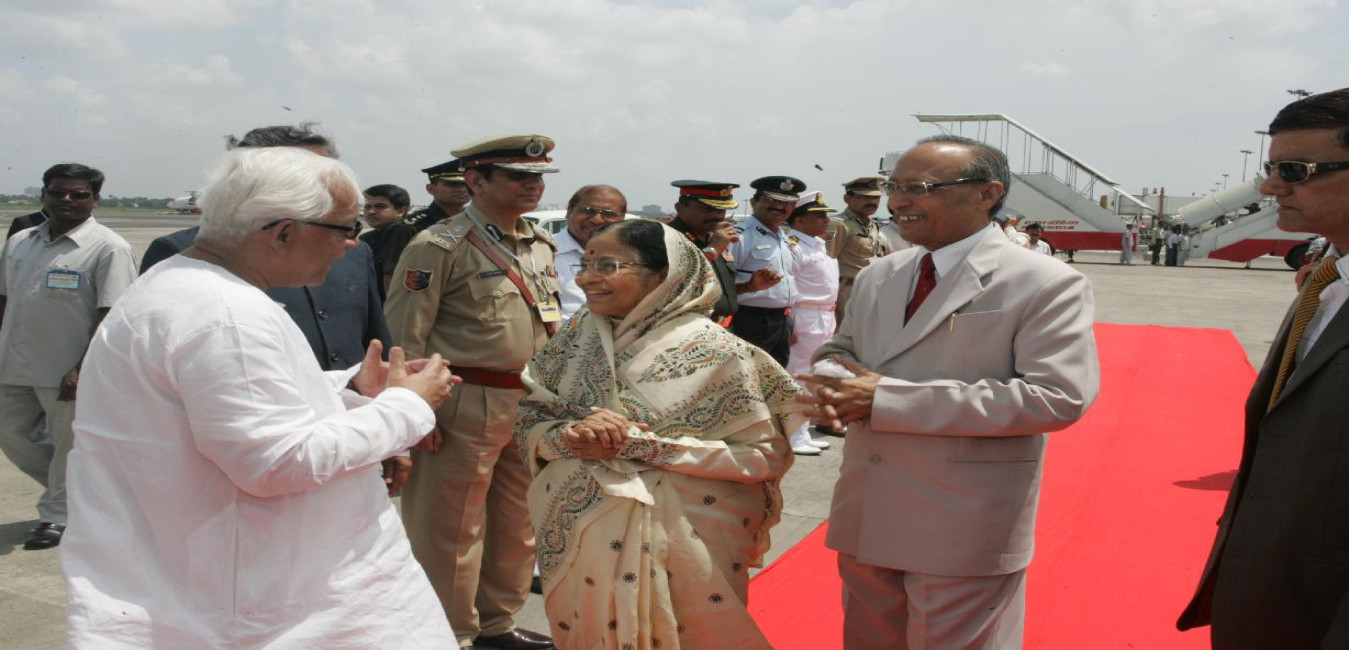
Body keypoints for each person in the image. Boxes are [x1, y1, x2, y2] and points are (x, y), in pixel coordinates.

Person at [61, 147, 457, 647]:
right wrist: (408, 406)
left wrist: (352, 389)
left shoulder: (187, 287)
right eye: (344, 229)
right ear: (284, 233)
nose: (352, 244)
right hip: (261, 604)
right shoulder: (226, 315)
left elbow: (232, 413)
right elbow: (276, 461)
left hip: (231, 583)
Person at [797, 135, 1099, 650]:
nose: (899, 201)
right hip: (869, 508)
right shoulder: (880, 274)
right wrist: (833, 375)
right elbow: (840, 348)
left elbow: (1056, 396)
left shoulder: (1044, 281)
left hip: (961, 519)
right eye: (895, 186)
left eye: (920, 188)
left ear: (988, 193)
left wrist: (886, 400)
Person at [514, 219, 801, 650]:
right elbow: (529, 417)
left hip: (683, 543)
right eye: (585, 264)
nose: (587, 278)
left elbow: (763, 458)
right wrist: (568, 436)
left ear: (664, 275)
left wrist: (645, 448)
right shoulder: (576, 337)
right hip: (577, 533)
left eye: (607, 265)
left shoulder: (720, 352)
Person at [1177, 87, 1349, 650]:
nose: (1272, 187)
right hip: (1273, 594)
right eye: (1272, 170)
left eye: (1295, 171)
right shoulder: (1326, 281)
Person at [384, 134, 559, 650]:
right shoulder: (438, 245)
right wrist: (414, 412)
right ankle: (449, 633)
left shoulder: (536, 242)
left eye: (538, 177)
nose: (532, 186)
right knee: (451, 527)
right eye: (518, 176)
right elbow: (405, 335)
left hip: (525, 401)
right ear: (476, 181)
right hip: (461, 399)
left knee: (516, 524)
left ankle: (495, 625)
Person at [141, 124, 393, 375]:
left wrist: (384, 382)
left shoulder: (354, 251)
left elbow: (375, 338)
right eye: (308, 175)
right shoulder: (186, 255)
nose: (328, 184)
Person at [0, 163, 137, 551]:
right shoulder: (20, 241)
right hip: (13, 361)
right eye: (58, 192)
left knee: (67, 446)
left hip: (67, 369)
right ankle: (89, 493)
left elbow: (112, 316)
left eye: (78, 194)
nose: (67, 200)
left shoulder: (109, 248)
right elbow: (4, 298)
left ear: (95, 200)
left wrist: (82, 368)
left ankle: (58, 516)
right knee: (11, 434)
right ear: (43, 195)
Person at [728, 175, 804, 366]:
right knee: (747, 377)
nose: (779, 207)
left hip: (782, 321)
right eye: (772, 200)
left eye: (787, 203)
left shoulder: (785, 239)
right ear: (754, 202)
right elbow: (720, 285)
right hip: (750, 321)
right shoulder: (739, 237)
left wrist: (789, 323)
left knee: (776, 379)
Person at [784, 192, 838, 456]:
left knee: (814, 375)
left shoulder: (817, 244)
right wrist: (790, 323)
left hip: (824, 315)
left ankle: (803, 432)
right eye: (818, 216)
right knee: (798, 376)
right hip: (804, 315)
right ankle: (793, 435)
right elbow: (788, 285)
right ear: (800, 220)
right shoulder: (793, 245)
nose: (825, 220)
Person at [668, 180, 742, 324]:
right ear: (680, 208)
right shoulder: (669, 237)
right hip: (688, 327)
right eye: (707, 209)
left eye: (721, 210)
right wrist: (713, 249)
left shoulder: (712, 237)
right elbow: (676, 286)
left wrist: (750, 286)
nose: (717, 216)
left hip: (723, 327)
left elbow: (712, 290)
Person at [553, 184, 627, 320]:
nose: (596, 219)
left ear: (622, 219)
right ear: (569, 211)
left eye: (608, 213)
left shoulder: (631, 257)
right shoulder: (541, 251)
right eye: (587, 210)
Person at [829, 177, 891, 319]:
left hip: (874, 288)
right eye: (865, 197)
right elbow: (827, 262)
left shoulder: (873, 225)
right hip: (848, 290)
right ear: (847, 198)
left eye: (876, 198)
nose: (872, 202)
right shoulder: (838, 225)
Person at [360, 183, 417, 298]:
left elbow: (393, 278)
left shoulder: (403, 232)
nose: (371, 211)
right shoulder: (365, 239)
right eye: (368, 207)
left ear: (400, 211)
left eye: (380, 207)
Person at [404, 160, 471, 233]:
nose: (462, 189)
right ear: (431, 189)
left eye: (467, 184)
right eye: (453, 184)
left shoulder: (475, 222)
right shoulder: (410, 227)